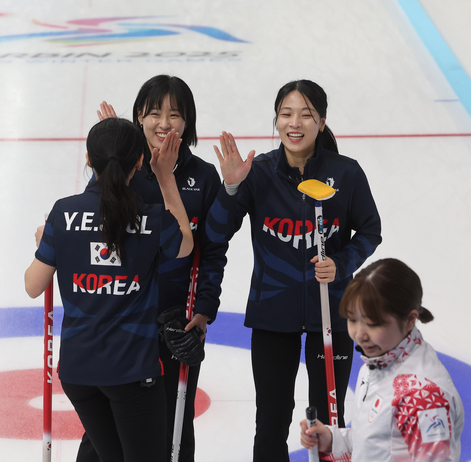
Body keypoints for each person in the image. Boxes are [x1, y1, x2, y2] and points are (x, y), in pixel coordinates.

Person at [206, 79, 382, 461]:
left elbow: (371, 230)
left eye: (306, 114)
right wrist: (232, 187)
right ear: (276, 120)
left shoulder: (346, 173)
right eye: (286, 114)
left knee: (327, 420)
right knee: (270, 419)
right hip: (273, 314)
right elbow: (215, 233)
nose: (295, 123)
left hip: (332, 315)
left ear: (322, 122)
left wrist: (342, 263)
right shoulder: (259, 172)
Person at [77, 75, 227, 462]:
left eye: (175, 114)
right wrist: (109, 147)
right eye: (153, 113)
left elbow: (211, 251)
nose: (164, 123)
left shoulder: (204, 177)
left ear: (188, 122)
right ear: (138, 118)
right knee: (105, 429)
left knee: (175, 422)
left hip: (178, 321)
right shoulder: (123, 173)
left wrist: (203, 310)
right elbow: (91, 230)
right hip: (125, 321)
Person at [25, 117, 193, 462]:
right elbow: (186, 244)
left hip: (79, 373)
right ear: (139, 162)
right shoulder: (152, 218)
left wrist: (45, 245)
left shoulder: (63, 213)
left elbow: (33, 285)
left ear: (89, 160)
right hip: (131, 372)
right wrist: (165, 178)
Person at [300, 258, 464, 461]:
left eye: (373, 323)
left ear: (410, 319)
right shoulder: (380, 359)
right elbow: (383, 441)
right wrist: (334, 440)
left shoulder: (422, 398)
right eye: (352, 320)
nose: (360, 334)